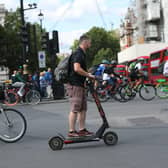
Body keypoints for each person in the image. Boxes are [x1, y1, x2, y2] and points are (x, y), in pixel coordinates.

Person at [66, 35, 95, 137]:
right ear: (85, 42)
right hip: (75, 85)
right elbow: (77, 68)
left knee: (83, 108)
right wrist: (88, 75)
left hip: (80, 85)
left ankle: (82, 129)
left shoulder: (82, 54)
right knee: (75, 108)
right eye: (89, 42)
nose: (90, 44)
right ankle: (71, 131)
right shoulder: (78, 53)